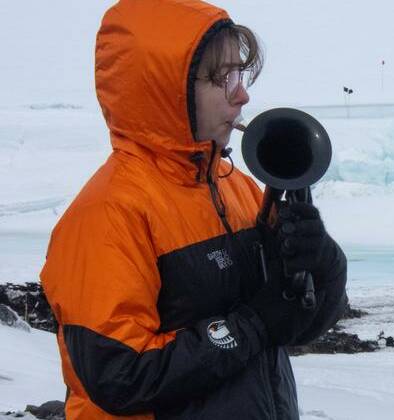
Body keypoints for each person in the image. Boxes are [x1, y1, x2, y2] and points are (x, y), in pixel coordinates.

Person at [39, 1, 348, 419]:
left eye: (239, 74)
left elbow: (296, 323)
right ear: (166, 89)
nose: (242, 94)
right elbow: (119, 377)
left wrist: (325, 267)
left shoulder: (236, 188)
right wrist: (252, 326)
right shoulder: (107, 215)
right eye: (222, 79)